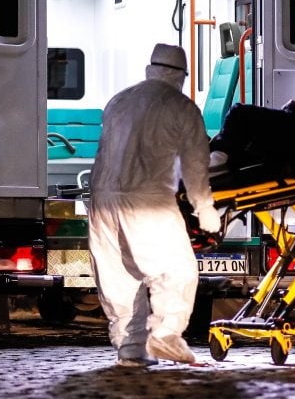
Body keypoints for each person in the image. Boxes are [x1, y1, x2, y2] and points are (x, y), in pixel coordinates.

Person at [88, 43, 221, 366]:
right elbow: (195, 166)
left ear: (151, 68)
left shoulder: (118, 101)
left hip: (102, 200)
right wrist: (205, 209)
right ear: (181, 75)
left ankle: (131, 349)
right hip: (147, 201)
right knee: (178, 271)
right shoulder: (182, 107)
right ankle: (165, 335)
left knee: (120, 276)